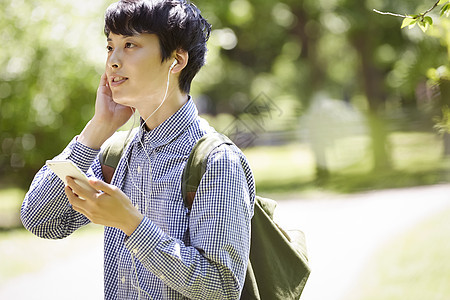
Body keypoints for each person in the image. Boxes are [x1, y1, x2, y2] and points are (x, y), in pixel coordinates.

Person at [20, 0, 255, 299]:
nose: (112, 61)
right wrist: (98, 127)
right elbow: (40, 220)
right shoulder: (114, 154)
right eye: (109, 46)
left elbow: (222, 288)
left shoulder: (216, 160)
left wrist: (131, 224)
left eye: (130, 44)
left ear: (176, 60)